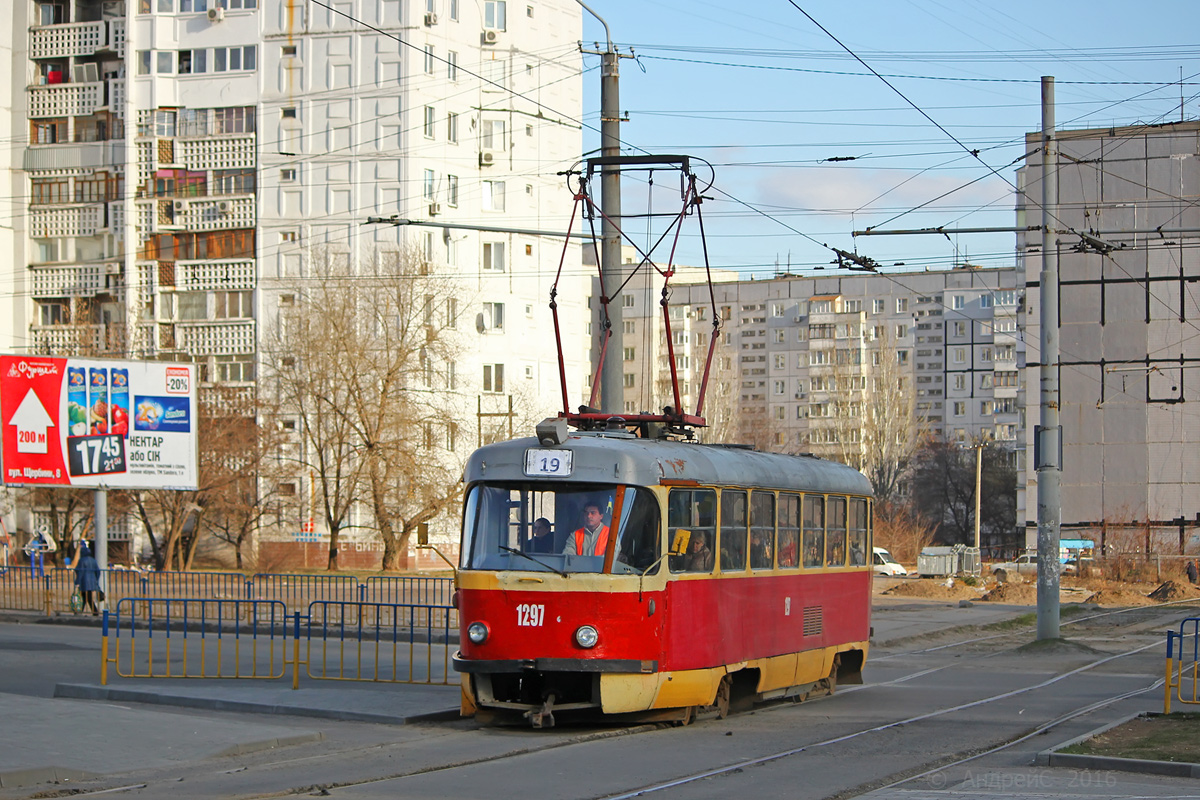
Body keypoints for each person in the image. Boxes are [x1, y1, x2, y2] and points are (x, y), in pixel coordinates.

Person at [74, 543, 101, 616]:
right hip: (92, 581)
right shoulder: (93, 560)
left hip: (84, 581)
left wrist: (77, 582)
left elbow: (80, 571)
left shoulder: (82, 560)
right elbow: (98, 571)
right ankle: (80, 611)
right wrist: (96, 580)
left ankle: (94, 611)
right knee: (85, 597)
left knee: (86, 597)